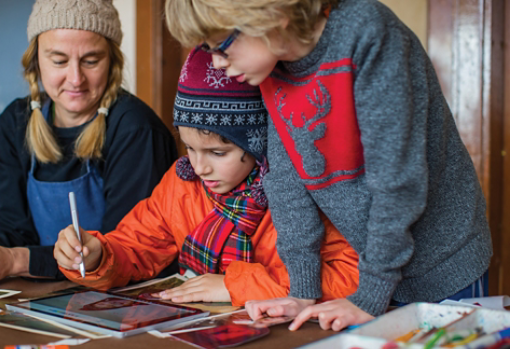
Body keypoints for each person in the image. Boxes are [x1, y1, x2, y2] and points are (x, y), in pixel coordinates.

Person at [164, 0, 493, 330]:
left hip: (443, 263)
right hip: (376, 269)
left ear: (269, 13)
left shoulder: (366, 31)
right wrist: (302, 291)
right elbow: (287, 184)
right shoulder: (271, 65)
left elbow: (396, 181)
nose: (218, 64)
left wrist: (370, 294)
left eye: (221, 46)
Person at [53, 48, 359, 306]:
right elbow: (135, 247)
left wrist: (233, 286)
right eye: (189, 148)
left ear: (257, 143)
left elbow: (351, 274)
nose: (199, 167)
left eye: (217, 153)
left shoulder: (301, 191)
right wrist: (96, 257)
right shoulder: (181, 183)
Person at [0, 0, 177, 287]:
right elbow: (11, 227)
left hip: (121, 298)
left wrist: (16, 260)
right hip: (44, 291)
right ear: (35, 61)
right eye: (58, 61)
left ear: (113, 62)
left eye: (91, 60)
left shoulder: (136, 129)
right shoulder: (13, 123)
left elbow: (124, 253)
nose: (76, 79)